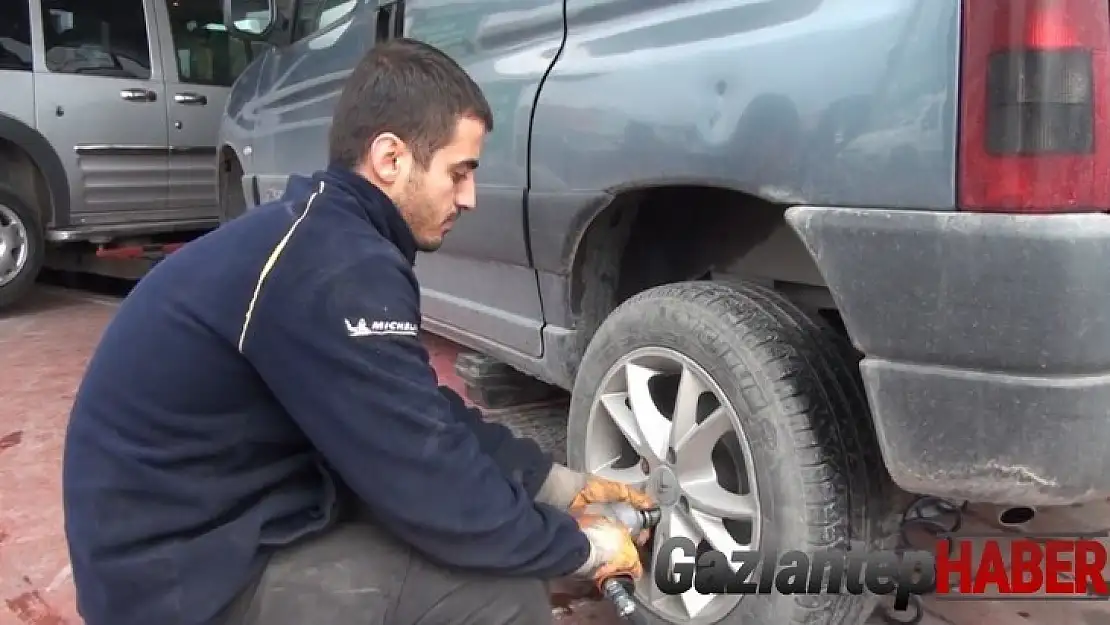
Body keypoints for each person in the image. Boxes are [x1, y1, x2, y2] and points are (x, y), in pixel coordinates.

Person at [61, 38, 655, 625]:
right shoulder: (336, 268)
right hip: (175, 584)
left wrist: (557, 486)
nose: (470, 197)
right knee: (499, 595)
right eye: (460, 171)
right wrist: (582, 548)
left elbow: (417, 414)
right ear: (391, 159)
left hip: (207, 527)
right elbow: (427, 483)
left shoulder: (321, 236)